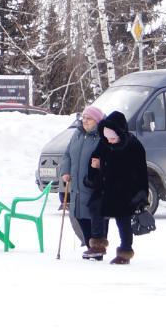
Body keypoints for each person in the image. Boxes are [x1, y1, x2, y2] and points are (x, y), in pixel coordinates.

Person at [87, 111, 150, 265]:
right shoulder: (104, 142)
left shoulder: (133, 145)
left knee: (123, 221)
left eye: (113, 138)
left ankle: (125, 251)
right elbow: (95, 159)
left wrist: (141, 194)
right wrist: (93, 171)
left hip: (124, 191)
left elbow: (134, 170)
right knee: (96, 212)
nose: (110, 141)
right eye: (107, 138)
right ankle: (98, 245)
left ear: (120, 133)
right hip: (104, 188)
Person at [58, 105, 108, 261]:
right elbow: (67, 154)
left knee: (96, 216)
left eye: (89, 119)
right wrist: (65, 172)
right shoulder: (78, 134)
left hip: (94, 184)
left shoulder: (102, 136)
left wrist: (101, 165)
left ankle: (98, 249)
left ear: (97, 121)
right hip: (77, 184)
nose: (85, 121)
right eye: (84, 118)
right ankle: (90, 247)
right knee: (79, 215)